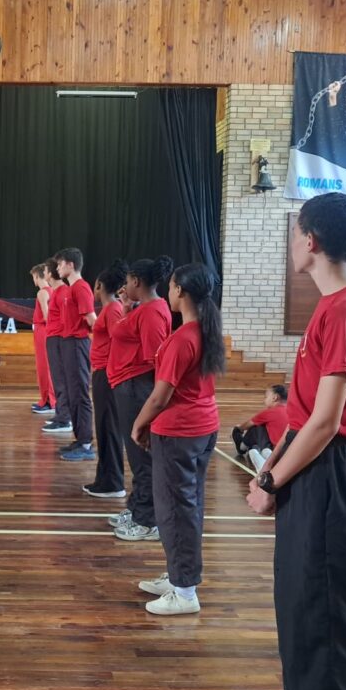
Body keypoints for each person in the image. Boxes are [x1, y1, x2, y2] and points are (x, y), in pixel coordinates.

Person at [245, 192, 346, 690]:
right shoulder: (332, 307)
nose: (291, 243)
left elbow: (327, 424)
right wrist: (270, 469)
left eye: (294, 232)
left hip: (332, 470)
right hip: (312, 466)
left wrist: (275, 480)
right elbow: (303, 415)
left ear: (311, 240)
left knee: (323, 605)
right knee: (301, 601)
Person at [132, 263, 224, 615]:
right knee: (189, 505)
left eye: (171, 287)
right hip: (202, 428)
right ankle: (178, 575)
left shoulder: (184, 338)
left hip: (179, 434)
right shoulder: (205, 331)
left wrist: (138, 425)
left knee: (174, 510)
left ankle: (185, 592)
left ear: (180, 291)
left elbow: (160, 396)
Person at [108, 256, 174, 541]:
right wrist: (125, 309)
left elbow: (156, 361)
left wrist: (153, 403)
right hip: (128, 386)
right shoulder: (142, 309)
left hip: (137, 390)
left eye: (127, 282)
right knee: (134, 456)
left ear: (136, 281)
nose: (124, 286)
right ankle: (137, 509)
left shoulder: (152, 312)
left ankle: (148, 520)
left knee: (141, 457)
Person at [84, 261, 127, 497]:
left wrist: (111, 375)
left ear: (99, 285)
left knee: (108, 428)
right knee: (103, 428)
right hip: (102, 373)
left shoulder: (113, 310)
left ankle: (113, 483)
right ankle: (104, 478)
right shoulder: (111, 309)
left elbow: (118, 343)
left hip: (107, 376)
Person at [56, 248, 96, 462]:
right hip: (68, 344)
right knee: (72, 394)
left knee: (80, 393)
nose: (57, 268)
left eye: (60, 264)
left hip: (78, 344)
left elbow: (92, 320)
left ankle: (87, 443)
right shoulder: (71, 289)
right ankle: (80, 439)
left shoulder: (81, 288)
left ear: (71, 265)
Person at [41, 259, 73, 435]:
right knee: (58, 380)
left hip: (59, 339)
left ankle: (64, 419)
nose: (44, 274)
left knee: (61, 380)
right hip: (54, 338)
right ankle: (61, 414)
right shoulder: (57, 292)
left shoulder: (62, 292)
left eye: (45, 271)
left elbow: (66, 319)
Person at [233, 385, 288, 473]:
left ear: (275, 398)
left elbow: (245, 425)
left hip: (276, 450)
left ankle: (243, 446)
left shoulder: (270, 412)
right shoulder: (292, 410)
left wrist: (238, 428)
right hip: (292, 450)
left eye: (266, 397)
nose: (264, 400)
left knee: (256, 425)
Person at [29, 263, 56, 415]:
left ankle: (48, 401)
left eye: (33, 277)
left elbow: (47, 316)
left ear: (37, 276)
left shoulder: (42, 293)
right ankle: (49, 399)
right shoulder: (52, 291)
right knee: (48, 366)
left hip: (43, 331)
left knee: (44, 367)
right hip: (47, 331)